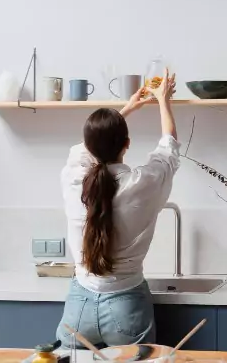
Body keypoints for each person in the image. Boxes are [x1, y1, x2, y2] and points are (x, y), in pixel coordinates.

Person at [56, 69, 179, 348]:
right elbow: (168, 147)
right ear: (127, 144)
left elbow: (90, 147)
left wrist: (127, 110)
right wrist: (163, 100)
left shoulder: (73, 178)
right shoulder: (143, 183)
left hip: (78, 308)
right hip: (127, 307)